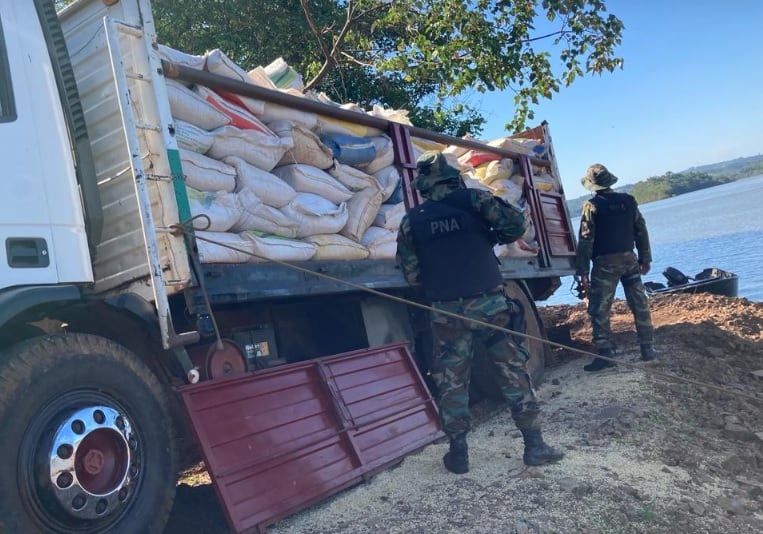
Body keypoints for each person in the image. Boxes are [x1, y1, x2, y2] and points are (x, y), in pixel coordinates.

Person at [396, 151, 564, 474]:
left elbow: (413, 276)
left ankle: (458, 453)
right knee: (513, 372)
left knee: (452, 380)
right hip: (491, 306)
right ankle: (534, 445)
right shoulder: (476, 201)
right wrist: (491, 235)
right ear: (453, 177)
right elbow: (516, 225)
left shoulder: (411, 221)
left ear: (425, 186)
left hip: (447, 313)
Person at [575, 163, 657, 372]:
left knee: (600, 308)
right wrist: (645, 257)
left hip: (605, 264)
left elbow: (585, 241)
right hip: (629, 260)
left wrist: (583, 271)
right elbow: (641, 229)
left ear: (592, 186)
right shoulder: (628, 201)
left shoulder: (591, 206)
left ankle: (605, 353)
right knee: (639, 302)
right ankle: (647, 348)